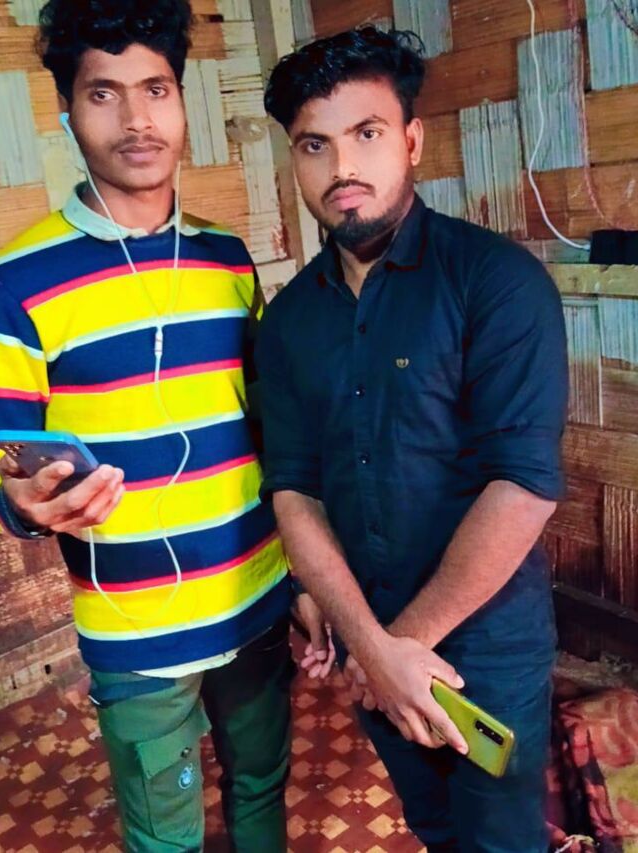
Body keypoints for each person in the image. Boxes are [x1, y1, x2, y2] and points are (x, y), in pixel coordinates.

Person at [258, 26, 569, 853]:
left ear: (412, 141)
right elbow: (294, 490)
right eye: (315, 145)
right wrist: (372, 647)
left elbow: (523, 485)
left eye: (367, 133)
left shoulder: (497, 282)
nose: (342, 167)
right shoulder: (288, 323)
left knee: (501, 838)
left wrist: (400, 648)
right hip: (368, 635)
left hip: (486, 649)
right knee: (433, 827)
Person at [0, 2, 296, 850]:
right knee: (164, 836)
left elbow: (268, 424)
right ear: (67, 112)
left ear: (181, 101)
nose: (136, 119)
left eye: (156, 90)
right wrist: (22, 504)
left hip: (257, 592)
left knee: (260, 791)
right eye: (104, 93)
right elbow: (11, 460)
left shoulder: (226, 257)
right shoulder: (17, 281)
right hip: (134, 626)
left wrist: (306, 580)